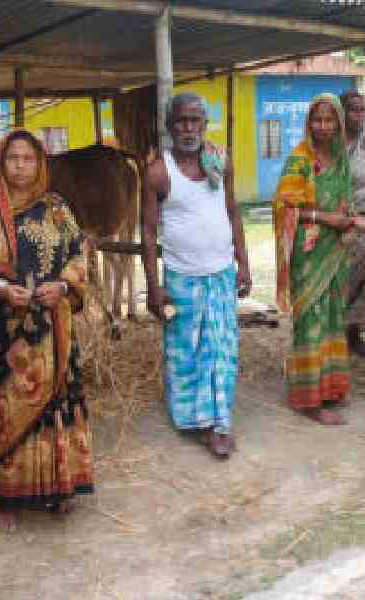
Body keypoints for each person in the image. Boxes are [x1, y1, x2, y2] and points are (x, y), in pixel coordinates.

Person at [0, 129, 93, 531]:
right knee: (7, 409)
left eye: (29, 159)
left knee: (55, 407)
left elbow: (78, 253)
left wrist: (64, 286)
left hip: (54, 327)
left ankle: (58, 487)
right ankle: (8, 496)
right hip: (4, 333)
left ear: (40, 163)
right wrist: (1, 289)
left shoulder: (56, 208)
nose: (21, 166)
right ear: (1, 162)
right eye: (13, 158)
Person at [142, 92, 251, 458]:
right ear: (170, 126)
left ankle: (217, 424)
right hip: (182, 279)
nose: (189, 127)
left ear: (206, 124)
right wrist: (153, 288)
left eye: (196, 120)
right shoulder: (159, 171)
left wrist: (244, 263)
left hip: (221, 274)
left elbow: (233, 212)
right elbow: (148, 232)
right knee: (186, 353)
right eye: (181, 120)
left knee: (221, 350)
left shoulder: (220, 160)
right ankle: (192, 418)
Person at [274, 93, 365, 425]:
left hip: (336, 249)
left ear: (339, 123)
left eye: (331, 120)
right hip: (309, 249)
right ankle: (309, 399)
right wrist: (328, 219)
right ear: (308, 123)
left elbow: (344, 198)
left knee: (333, 316)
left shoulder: (340, 157)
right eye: (318, 119)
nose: (324, 126)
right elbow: (287, 208)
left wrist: (348, 218)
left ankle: (330, 388)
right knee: (311, 320)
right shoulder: (300, 159)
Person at [340, 90, 365, 357]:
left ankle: (354, 336)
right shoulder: (332, 148)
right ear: (341, 113)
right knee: (344, 285)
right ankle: (334, 338)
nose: (359, 115)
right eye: (353, 109)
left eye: (362, 110)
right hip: (342, 225)